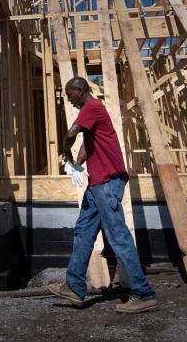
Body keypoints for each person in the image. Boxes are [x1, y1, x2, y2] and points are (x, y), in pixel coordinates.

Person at [47, 76, 158, 313]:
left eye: (70, 95)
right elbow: (89, 144)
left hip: (107, 182)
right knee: (84, 231)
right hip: (97, 184)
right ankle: (75, 287)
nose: (69, 99)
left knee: (118, 236)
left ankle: (144, 294)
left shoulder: (92, 107)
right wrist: (76, 164)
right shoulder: (93, 113)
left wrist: (65, 150)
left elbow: (72, 133)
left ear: (81, 90)